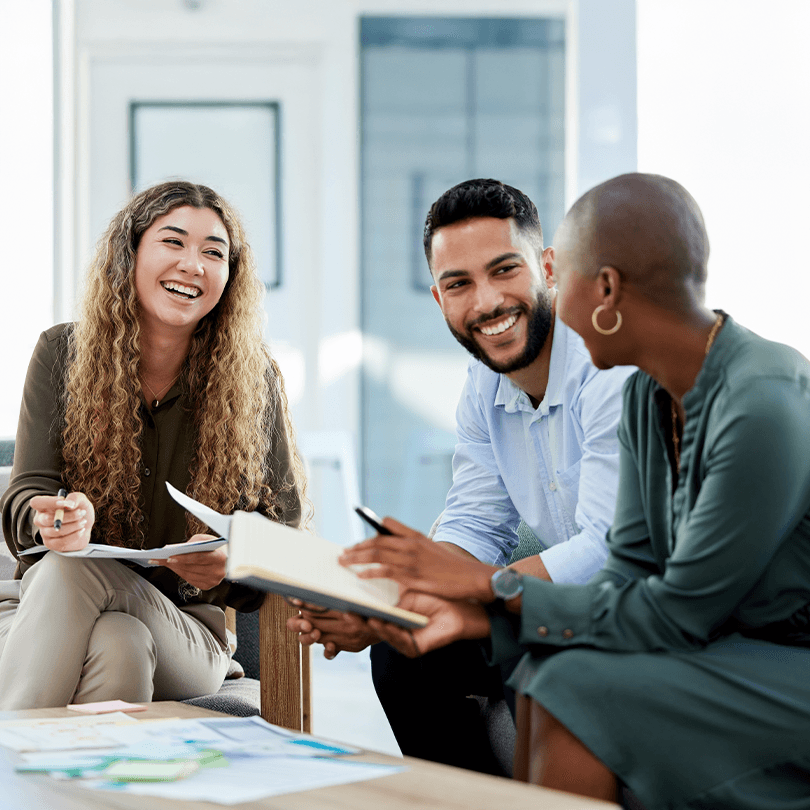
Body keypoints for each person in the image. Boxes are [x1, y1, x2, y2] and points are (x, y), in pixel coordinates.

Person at [341, 173, 810, 808]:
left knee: (571, 686)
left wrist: (487, 592)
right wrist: (417, 601)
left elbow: (673, 606)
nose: (548, 303)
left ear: (598, 285)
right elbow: (629, 567)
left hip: (769, 649)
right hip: (689, 629)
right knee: (533, 670)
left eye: (560, 277)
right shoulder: (650, 391)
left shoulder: (760, 400)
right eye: (458, 283)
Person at [289, 179, 634, 774]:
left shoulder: (607, 369)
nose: (487, 303)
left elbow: (606, 550)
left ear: (547, 266)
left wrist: (467, 590)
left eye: (505, 270)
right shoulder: (484, 385)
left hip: (627, 608)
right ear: (439, 298)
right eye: (459, 284)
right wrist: (383, 607)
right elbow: (475, 522)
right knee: (404, 654)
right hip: (553, 600)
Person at [0, 180, 305, 710]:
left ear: (230, 278)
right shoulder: (62, 354)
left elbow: (285, 536)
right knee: (119, 643)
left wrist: (232, 563)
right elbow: (28, 494)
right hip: (45, 608)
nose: (193, 264)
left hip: (186, 634)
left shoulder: (256, 381)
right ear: (131, 253)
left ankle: (8, 759)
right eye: (173, 242)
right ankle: (94, 793)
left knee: (76, 575)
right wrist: (50, 517)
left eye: (214, 252)